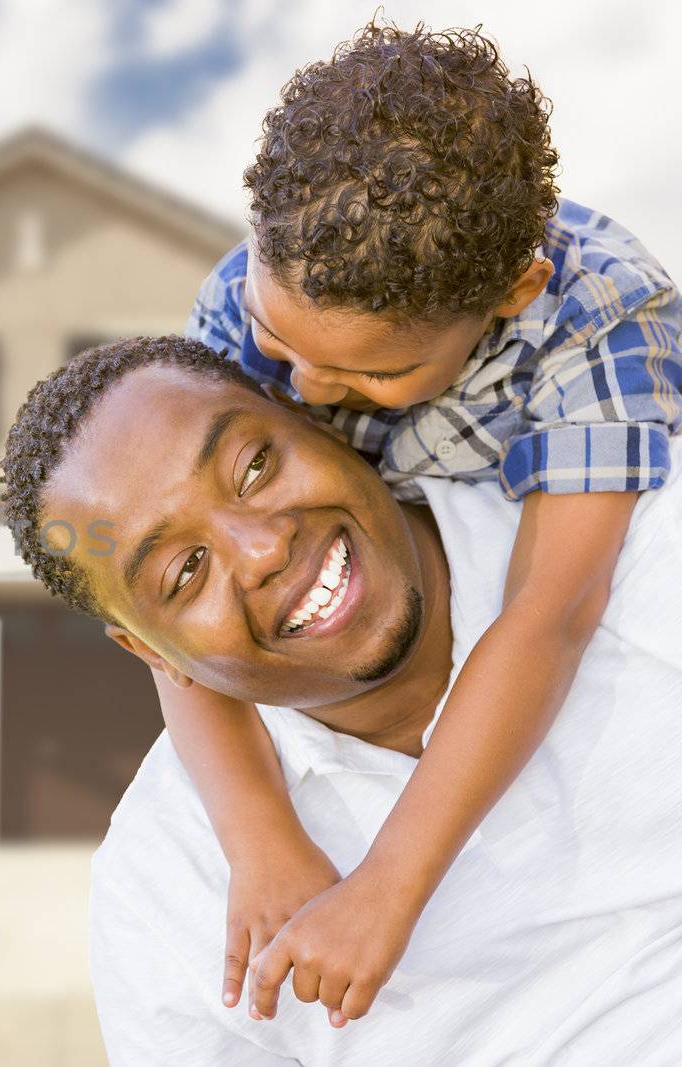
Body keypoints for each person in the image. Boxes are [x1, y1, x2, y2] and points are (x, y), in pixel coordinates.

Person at [168, 20, 682, 1024]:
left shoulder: (605, 317)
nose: (303, 385)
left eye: (372, 371)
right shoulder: (243, 299)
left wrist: (385, 888)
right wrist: (259, 833)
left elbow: (550, 610)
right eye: (282, 340)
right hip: (373, 587)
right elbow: (162, 595)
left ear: (511, 293)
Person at [0, 335, 682, 1062]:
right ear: (153, 655)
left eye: (254, 466)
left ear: (315, 417)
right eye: (185, 570)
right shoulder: (165, 887)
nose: (262, 549)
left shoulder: (641, 543)